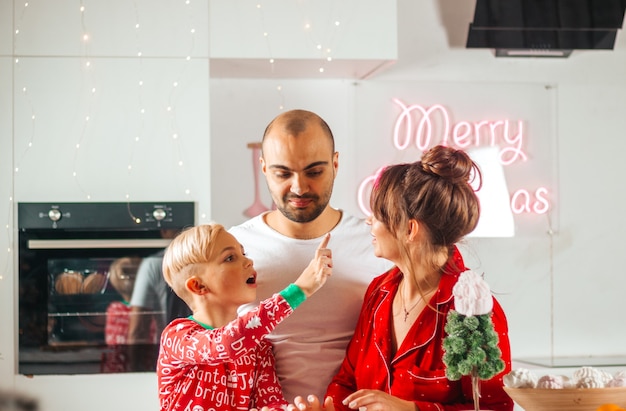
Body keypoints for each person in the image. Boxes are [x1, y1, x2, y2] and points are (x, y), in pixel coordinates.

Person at [319, 145, 514, 411]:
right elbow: (347, 382)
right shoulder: (378, 293)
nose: (369, 222)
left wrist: (411, 409)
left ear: (410, 229)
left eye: (378, 215)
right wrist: (327, 408)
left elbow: (495, 408)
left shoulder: (473, 312)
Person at [230, 109, 393, 401]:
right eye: (283, 173)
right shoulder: (235, 249)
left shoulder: (376, 243)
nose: (299, 187)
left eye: (314, 172)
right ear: (264, 168)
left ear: (335, 164)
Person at [156, 224, 333, 411]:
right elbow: (226, 343)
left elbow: (270, 403)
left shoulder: (258, 347)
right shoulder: (176, 336)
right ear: (198, 286)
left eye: (244, 253)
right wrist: (299, 290)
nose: (249, 261)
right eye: (230, 258)